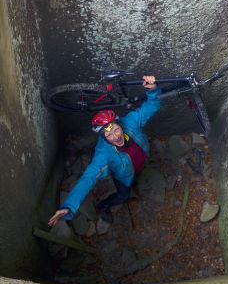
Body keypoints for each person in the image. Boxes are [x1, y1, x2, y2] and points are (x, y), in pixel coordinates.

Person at [48, 75, 161, 226]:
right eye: (109, 134)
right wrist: (69, 206)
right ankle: (103, 206)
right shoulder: (103, 155)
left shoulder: (130, 122)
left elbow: (151, 106)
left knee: (136, 173)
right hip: (123, 178)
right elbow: (87, 179)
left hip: (137, 163)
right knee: (122, 196)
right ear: (103, 137)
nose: (116, 136)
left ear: (119, 124)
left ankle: (134, 177)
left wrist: (152, 90)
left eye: (116, 129)